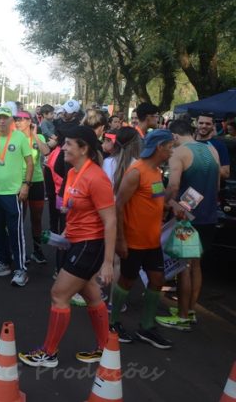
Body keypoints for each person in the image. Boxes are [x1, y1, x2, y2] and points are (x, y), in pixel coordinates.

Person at [19, 126, 116, 368]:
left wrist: (107, 262)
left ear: (84, 148)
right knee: (91, 295)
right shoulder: (74, 172)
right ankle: (105, 349)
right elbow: (73, 208)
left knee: (59, 294)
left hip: (89, 245)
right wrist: (63, 235)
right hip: (75, 242)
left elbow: (111, 220)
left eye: (69, 144)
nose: (62, 147)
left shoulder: (97, 177)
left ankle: (48, 354)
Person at [110, 129, 175, 349]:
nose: (172, 152)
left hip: (152, 241)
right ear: (159, 147)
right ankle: (113, 323)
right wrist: (120, 240)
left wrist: (174, 205)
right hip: (134, 241)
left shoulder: (156, 171)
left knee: (157, 280)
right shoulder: (136, 172)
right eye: (170, 147)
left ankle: (146, 327)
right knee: (126, 281)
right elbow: (118, 205)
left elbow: (157, 197)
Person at [155, 119, 220, 331]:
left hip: (187, 218)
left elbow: (173, 186)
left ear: (174, 137)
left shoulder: (179, 153)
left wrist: (164, 204)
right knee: (196, 265)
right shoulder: (212, 150)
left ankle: (182, 317)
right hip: (208, 216)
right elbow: (217, 185)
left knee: (184, 266)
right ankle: (189, 310)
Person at [0, 106, 33, 287]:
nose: (2, 121)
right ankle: (1, 263)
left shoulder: (20, 137)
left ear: (11, 120)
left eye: (5, 118)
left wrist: (26, 185)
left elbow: (30, 162)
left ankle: (20, 269)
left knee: (16, 232)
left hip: (13, 193)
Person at [15, 110, 50, 264]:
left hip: (36, 181)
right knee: (19, 219)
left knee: (36, 218)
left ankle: (37, 250)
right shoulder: (14, 138)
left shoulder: (39, 137)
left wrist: (35, 135)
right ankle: (19, 250)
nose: (18, 122)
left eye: (22, 119)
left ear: (30, 121)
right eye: (16, 119)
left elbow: (46, 151)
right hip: (19, 181)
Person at [195, 112, 230, 180]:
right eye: (201, 123)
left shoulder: (219, 145)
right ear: (196, 124)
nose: (204, 126)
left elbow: (226, 174)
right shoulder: (188, 143)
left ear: (213, 126)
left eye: (208, 124)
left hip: (210, 188)